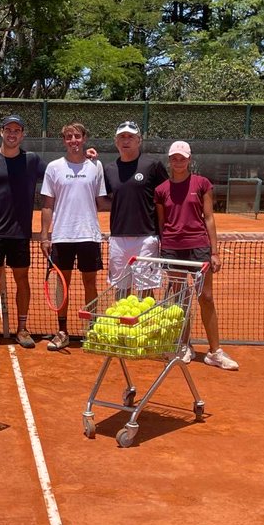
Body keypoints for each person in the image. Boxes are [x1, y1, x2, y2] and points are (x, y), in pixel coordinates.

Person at [154, 140, 239, 371]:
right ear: (169, 160)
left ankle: (215, 352)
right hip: (173, 249)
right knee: (180, 300)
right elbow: (162, 224)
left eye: (182, 157)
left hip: (199, 248)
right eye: (174, 158)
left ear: (189, 159)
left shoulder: (202, 184)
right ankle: (184, 346)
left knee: (206, 298)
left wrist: (215, 251)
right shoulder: (161, 189)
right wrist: (165, 248)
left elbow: (209, 218)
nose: (178, 161)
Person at [0, 114, 46, 348]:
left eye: (17, 130)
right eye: (8, 129)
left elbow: (56, 175)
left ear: (22, 135)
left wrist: (87, 157)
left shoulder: (32, 161)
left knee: (22, 279)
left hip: (20, 232)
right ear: (1, 132)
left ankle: (22, 328)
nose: (12, 134)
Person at [39, 122, 106, 351]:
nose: (73, 140)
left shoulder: (96, 166)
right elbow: (47, 204)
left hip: (89, 234)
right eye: (69, 137)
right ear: (64, 140)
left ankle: (93, 330)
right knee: (62, 284)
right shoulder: (54, 167)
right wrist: (45, 236)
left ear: (84, 138)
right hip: (62, 235)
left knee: (90, 283)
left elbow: (101, 199)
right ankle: (62, 331)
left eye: (77, 136)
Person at [95, 120, 169, 293]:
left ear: (139, 140)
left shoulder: (153, 165)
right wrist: (123, 204)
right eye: (122, 137)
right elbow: (102, 200)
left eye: (130, 137)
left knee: (146, 291)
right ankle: (122, 321)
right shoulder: (109, 169)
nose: (126, 140)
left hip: (146, 237)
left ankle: (144, 321)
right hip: (118, 238)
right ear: (116, 141)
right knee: (120, 291)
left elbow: (166, 196)